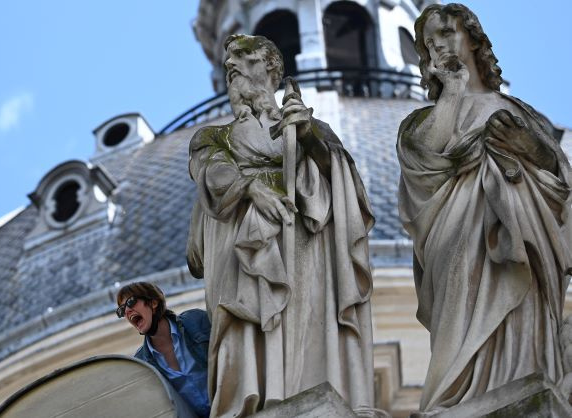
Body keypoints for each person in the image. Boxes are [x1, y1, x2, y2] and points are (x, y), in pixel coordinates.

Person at [187, 34, 376, 417]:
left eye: (245, 59)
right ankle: (246, 402)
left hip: (303, 240)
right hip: (240, 242)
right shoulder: (214, 136)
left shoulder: (311, 127)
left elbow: (348, 194)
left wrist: (309, 139)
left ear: (273, 67)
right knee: (242, 326)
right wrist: (251, 189)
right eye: (229, 67)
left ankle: (307, 390)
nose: (233, 68)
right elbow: (211, 170)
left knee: (305, 322)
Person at [397, 3, 572, 412]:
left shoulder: (525, 114)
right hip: (457, 234)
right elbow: (423, 156)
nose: (439, 45)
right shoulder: (419, 121)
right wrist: (453, 93)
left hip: (527, 236)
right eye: (429, 42)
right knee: (465, 294)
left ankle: (521, 379)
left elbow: (562, 184)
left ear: (474, 39)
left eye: (447, 33)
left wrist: (534, 150)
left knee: (523, 310)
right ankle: (461, 393)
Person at [116, 281, 211, 418]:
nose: (126, 311)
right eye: (121, 310)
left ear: (153, 303)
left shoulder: (195, 321)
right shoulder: (141, 364)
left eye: (131, 302)